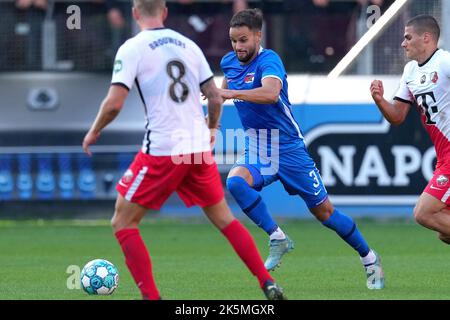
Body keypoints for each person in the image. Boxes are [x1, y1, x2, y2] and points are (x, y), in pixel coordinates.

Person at [82, 0, 286, 300]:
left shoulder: (132, 48)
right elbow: (215, 98)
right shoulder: (189, 46)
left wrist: (95, 130)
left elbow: (114, 103)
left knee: (123, 221)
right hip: (196, 148)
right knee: (225, 219)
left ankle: (152, 298)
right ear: (164, 12)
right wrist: (212, 131)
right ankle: (266, 281)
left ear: (135, 13)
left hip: (163, 148)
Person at [219, 8, 384, 290]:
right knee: (235, 181)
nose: (238, 47)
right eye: (234, 40)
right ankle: (277, 237)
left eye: (243, 40)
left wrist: (232, 92)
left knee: (325, 213)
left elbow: (270, 93)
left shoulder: (269, 60)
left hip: (289, 149)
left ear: (258, 36)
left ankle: (369, 259)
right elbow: (222, 93)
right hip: (258, 146)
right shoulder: (229, 63)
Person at [371, 15, 450, 245]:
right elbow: (397, 116)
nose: (403, 43)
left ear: (426, 38)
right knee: (444, 231)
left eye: (408, 37)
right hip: (443, 155)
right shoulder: (410, 71)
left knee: (424, 213)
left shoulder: (444, 61)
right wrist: (379, 100)